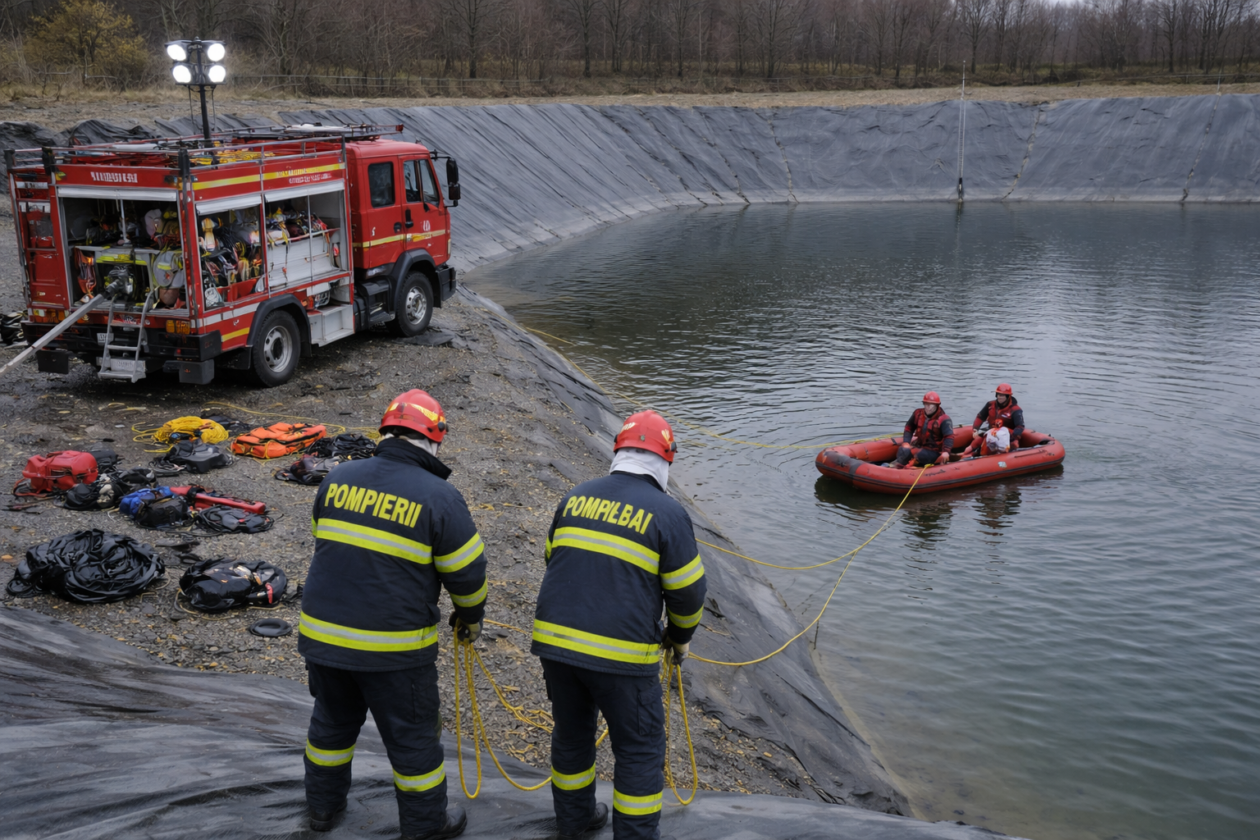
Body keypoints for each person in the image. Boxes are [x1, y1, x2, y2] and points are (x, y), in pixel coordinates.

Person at [298, 390, 488, 840]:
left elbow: (324, 542)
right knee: (413, 739)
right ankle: (426, 827)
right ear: (434, 439)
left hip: (323, 640)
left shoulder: (338, 478)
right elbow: (468, 574)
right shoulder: (440, 497)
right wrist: (470, 618)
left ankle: (322, 813)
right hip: (395, 652)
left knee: (331, 725)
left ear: (386, 432)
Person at [532, 410, 707, 840]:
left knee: (572, 736)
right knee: (639, 749)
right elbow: (688, 593)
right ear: (665, 460)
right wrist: (679, 639)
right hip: (622, 658)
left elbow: (553, 559)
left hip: (556, 647)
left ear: (618, 453)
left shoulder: (576, 496)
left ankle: (574, 824)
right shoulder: (667, 513)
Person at [961, 383, 1025, 459]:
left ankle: (977, 455)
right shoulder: (990, 405)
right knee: (975, 443)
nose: (1000, 397)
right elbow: (980, 417)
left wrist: (1013, 437)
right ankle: (963, 455)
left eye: (1003, 395)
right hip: (991, 434)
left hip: (1008, 437)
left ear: (1008, 396)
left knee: (1013, 444)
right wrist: (975, 429)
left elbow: (1020, 426)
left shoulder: (1015, 410)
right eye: (998, 395)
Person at [893, 391, 955, 469]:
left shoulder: (944, 419)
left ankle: (910, 468)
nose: (928, 407)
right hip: (919, 445)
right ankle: (898, 467)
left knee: (920, 455)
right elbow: (909, 428)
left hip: (934, 451)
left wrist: (946, 451)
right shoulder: (917, 414)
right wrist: (906, 442)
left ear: (937, 406)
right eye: (926, 404)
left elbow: (949, 436)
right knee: (903, 449)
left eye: (931, 405)